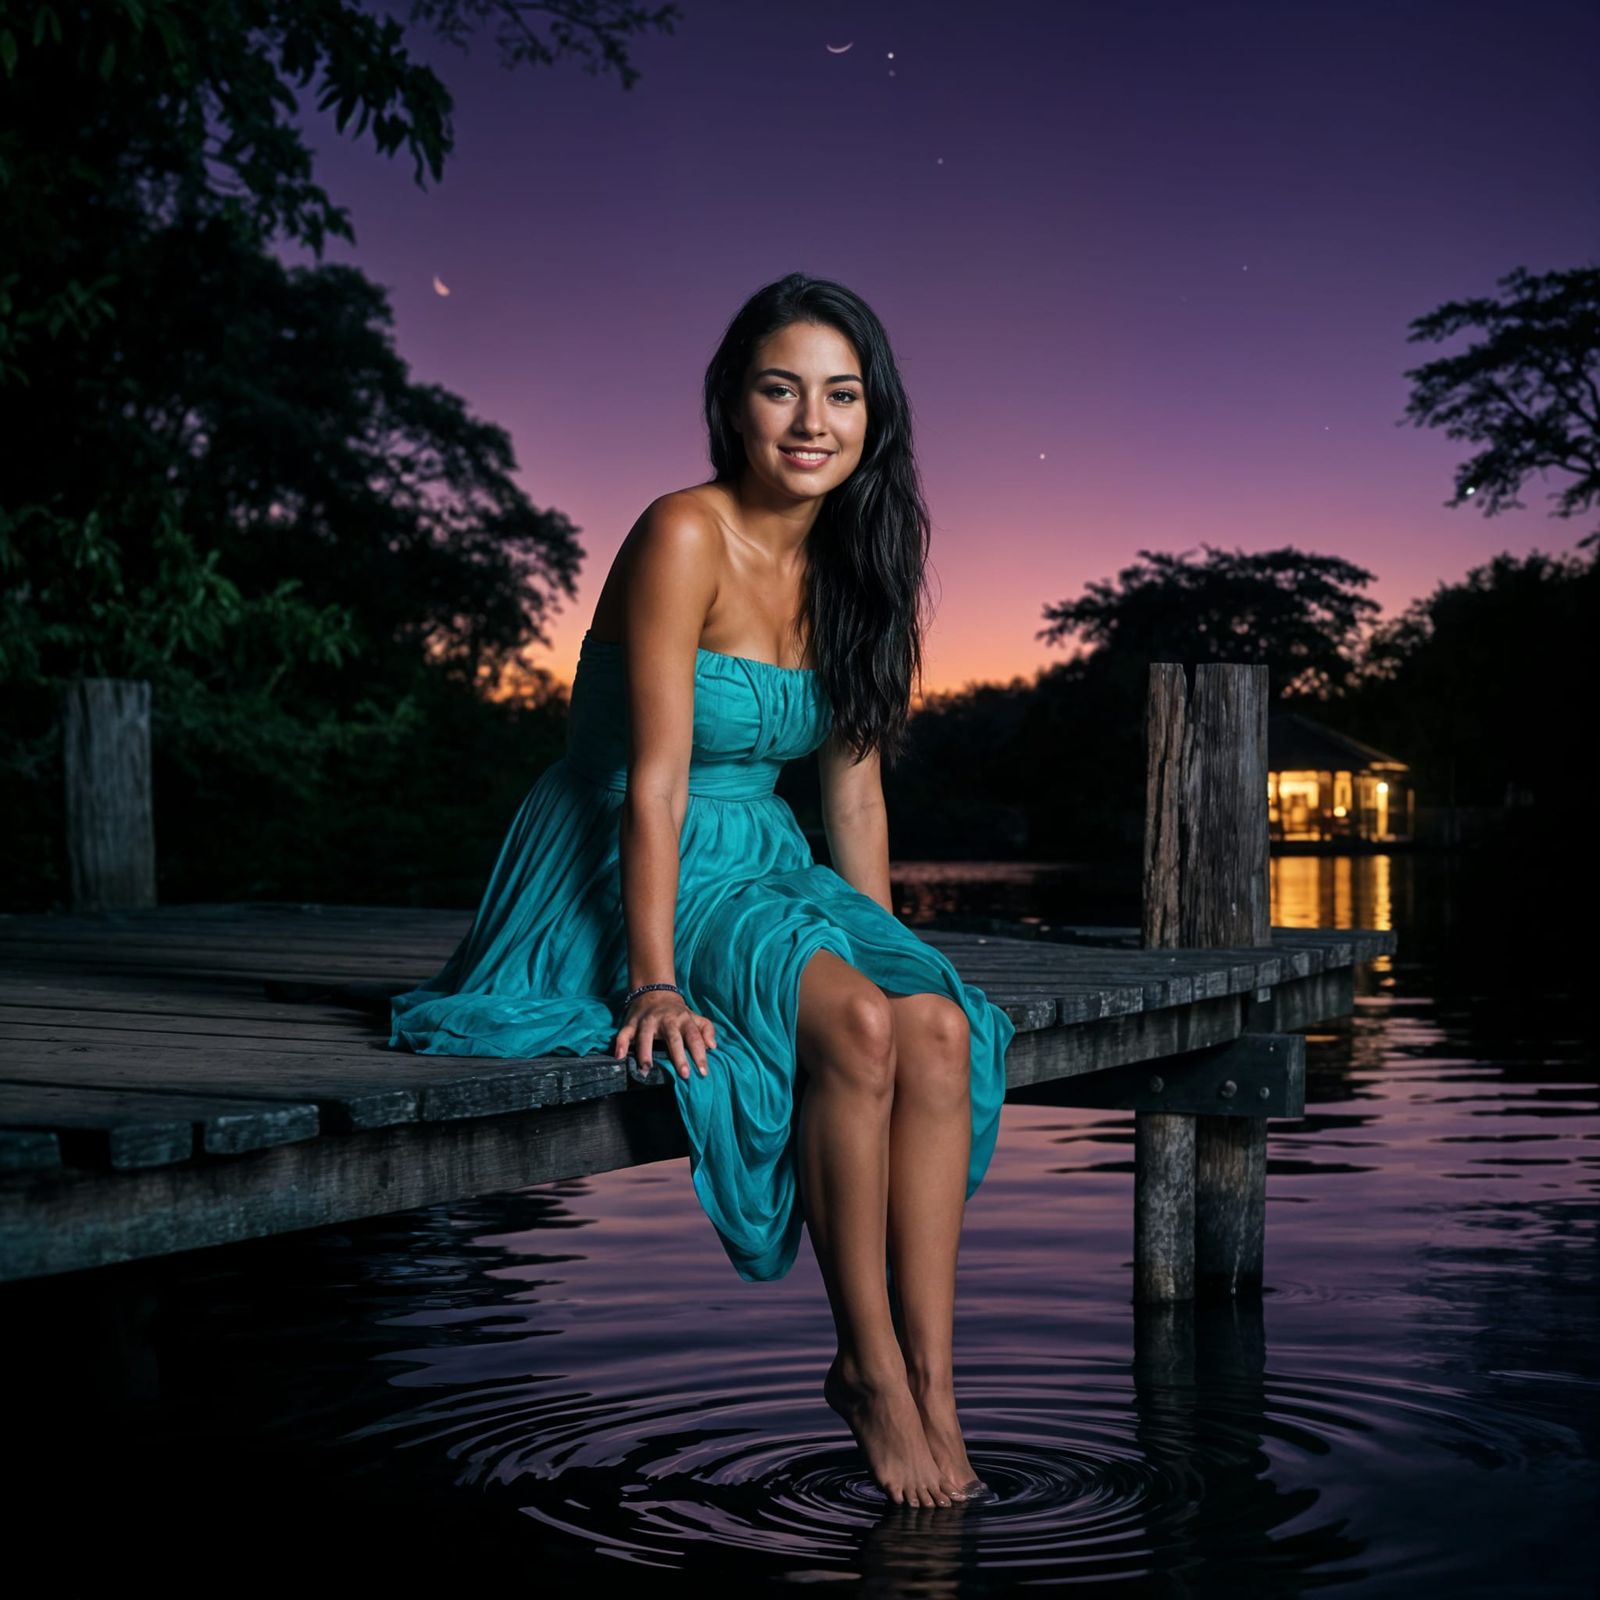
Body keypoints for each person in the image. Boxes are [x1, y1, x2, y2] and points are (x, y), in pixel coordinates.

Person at [387, 272, 1014, 1508]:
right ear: (732, 403)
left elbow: (853, 803)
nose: (811, 422)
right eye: (781, 389)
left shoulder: (858, 563)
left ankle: (937, 1385)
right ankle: (865, 1367)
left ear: (875, 414)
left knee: (934, 1027)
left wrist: (876, 941)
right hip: (626, 848)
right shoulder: (682, 531)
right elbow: (656, 782)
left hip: (768, 858)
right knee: (853, 1028)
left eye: (842, 394)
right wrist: (654, 980)